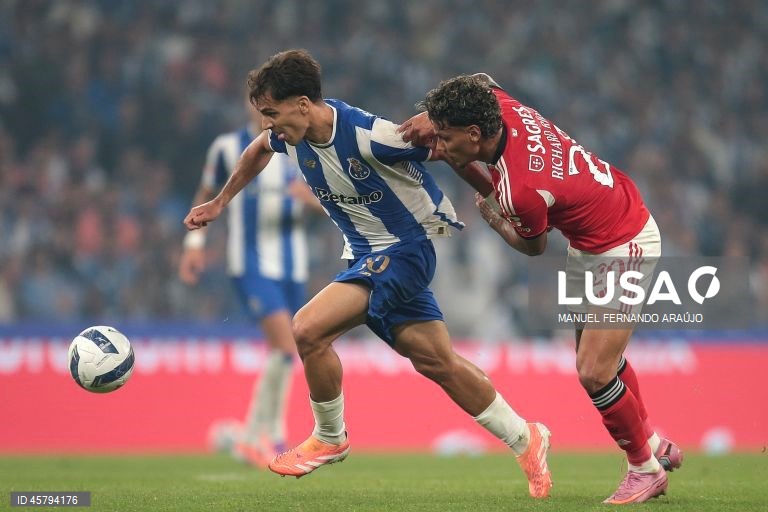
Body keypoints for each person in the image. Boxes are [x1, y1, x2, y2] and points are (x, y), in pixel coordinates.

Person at [184, 49, 553, 499]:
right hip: (366, 256)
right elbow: (258, 150)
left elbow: (454, 148)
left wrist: (500, 196)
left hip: (406, 251)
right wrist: (221, 201)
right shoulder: (290, 136)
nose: (267, 125)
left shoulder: (370, 136)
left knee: (307, 329)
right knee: (439, 363)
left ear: (302, 103)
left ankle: (330, 436)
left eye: (271, 113)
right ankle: (525, 438)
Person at [400, 74, 683, 505]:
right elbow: (479, 79)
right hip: (595, 234)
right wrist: (431, 119)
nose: (439, 142)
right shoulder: (499, 103)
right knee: (600, 360)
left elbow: (532, 246)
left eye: (446, 136)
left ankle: (644, 469)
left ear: (474, 134)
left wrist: (493, 218)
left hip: (623, 242)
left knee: (594, 370)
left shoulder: (521, 191)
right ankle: (653, 441)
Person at [179, 100, 322, 468]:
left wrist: (313, 202)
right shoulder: (227, 148)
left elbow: (332, 202)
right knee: (285, 344)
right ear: (250, 103)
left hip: (294, 266)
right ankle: (264, 434)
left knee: (289, 351)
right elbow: (205, 192)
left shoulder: (302, 148)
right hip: (250, 263)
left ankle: (257, 434)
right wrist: (194, 244)